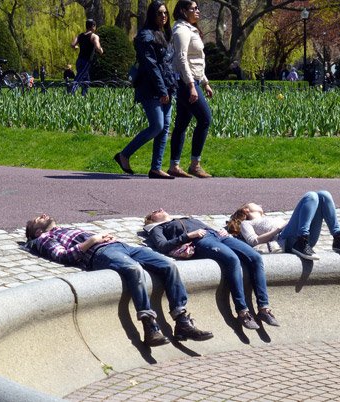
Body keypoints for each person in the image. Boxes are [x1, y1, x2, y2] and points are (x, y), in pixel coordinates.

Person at [25, 214, 213, 347]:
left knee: (169, 266)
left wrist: (105, 237)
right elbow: (64, 256)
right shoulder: (44, 238)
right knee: (134, 270)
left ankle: (182, 321)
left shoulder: (64, 229)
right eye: (37, 219)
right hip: (101, 253)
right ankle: (150, 326)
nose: (42, 215)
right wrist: (94, 240)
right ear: (37, 231)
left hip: (122, 246)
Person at [144, 209, 279, 330]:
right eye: (156, 211)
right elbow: (162, 245)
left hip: (219, 236)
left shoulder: (185, 218)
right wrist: (189, 236)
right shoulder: (157, 228)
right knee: (232, 259)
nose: (161, 209)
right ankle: (242, 311)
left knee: (255, 258)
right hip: (201, 241)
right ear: (151, 220)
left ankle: (264, 308)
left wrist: (223, 231)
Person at [113, 1, 177, 180]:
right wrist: (162, 90)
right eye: (159, 13)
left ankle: (156, 168)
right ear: (151, 15)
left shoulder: (164, 33)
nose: (163, 16)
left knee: (164, 128)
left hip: (167, 84)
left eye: (165, 13)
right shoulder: (145, 36)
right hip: (151, 87)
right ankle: (124, 155)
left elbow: (167, 63)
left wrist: (170, 86)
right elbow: (151, 66)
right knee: (157, 125)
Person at [227, 191, 340, 261]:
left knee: (323, 195)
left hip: (302, 239)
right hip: (286, 240)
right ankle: (302, 239)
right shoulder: (246, 223)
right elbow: (253, 241)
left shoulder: (268, 218)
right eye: (255, 203)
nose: (260, 205)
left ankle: (337, 237)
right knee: (310, 196)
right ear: (246, 209)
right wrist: (277, 229)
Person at [167, 0, 213, 178]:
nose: (198, 11)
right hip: (186, 83)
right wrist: (192, 85)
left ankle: (174, 166)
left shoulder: (190, 29)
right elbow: (181, 59)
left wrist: (205, 82)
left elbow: (197, 61)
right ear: (183, 11)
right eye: (194, 8)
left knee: (182, 123)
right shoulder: (181, 31)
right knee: (205, 119)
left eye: (197, 8)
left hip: (192, 80)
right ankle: (195, 164)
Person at [70, 19, 104, 96]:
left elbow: (72, 44)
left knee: (86, 79)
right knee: (79, 77)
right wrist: (101, 51)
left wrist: (75, 47)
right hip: (87, 61)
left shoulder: (80, 36)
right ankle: (70, 93)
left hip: (79, 60)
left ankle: (84, 95)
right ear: (93, 26)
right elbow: (98, 47)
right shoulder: (94, 36)